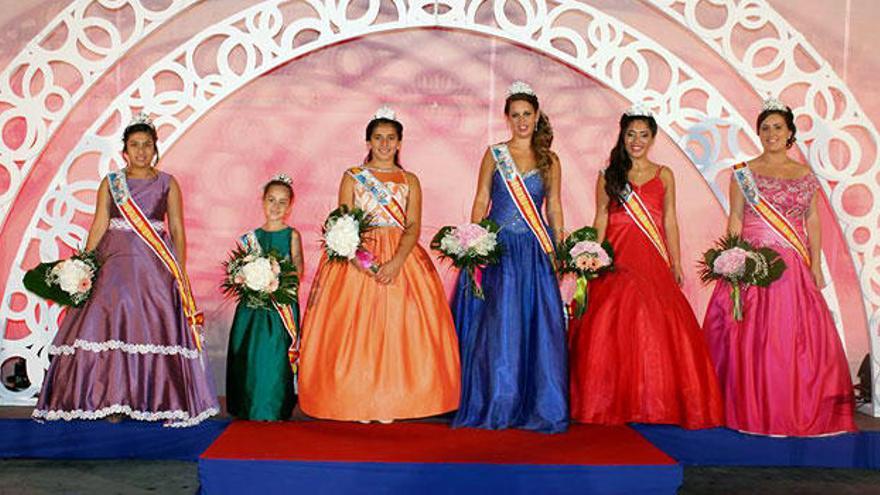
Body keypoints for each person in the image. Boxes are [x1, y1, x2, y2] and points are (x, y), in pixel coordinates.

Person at [32, 112, 218, 427]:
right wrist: (83, 263)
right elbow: (99, 223)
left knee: (152, 327)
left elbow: (176, 228)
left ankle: (156, 399)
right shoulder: (112, 183)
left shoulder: (167, 183)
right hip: (114, 263)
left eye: (147, 145)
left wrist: (180, 271)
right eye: (135, 145)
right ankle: (112, 400)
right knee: (111, 326)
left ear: (155, 148)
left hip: (155, 267)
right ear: (125, 150)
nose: (141, 151)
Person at [703, 98, 856, 436]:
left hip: (792, 266)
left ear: (790, 133)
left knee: (793, 340)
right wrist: (733, 261)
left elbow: (812, 220)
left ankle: (792, 407)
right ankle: (752, 407)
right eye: (765, 128)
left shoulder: (804, 175)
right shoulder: (742, 172)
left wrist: (815, 263)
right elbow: (736, 219)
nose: (771, 133)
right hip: (753, 265)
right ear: (758, 133)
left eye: (777, 127)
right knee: (750, 339)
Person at [298, 106, 460, 423]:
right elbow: (344, 223)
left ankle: (393, 400)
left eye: (390, 138)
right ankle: (356, 398)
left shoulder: (409, 180)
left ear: (400, 143)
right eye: (378, 137)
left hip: (402, 257)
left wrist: (396, 262)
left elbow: (413, 226)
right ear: (368, 142)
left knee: (400, 327)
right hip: (357, 260)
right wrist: (363, 262)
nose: (384, 143)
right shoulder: (353, 177)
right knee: (356, 329)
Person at [567, 104, 723, 429]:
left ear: (652, 138)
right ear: (622, 137)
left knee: (657, 321)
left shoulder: (664, 173)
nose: (636, 141)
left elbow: (669, 219)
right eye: (631, 134)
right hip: (616, 254)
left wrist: (676, 261)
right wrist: (593, 256)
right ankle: (610, 401)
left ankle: (655, 402)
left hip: (651, 254)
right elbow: (601, 216)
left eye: (643, 135)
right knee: (609, 321)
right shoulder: (608, 175)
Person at [452, 81, 568, 433]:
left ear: (536, 117)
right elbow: (481, 197)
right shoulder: (494, 153)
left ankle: (538, 405)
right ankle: (499, 402)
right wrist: (474, 240)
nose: (521, 121)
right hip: (499, 251)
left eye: (527, 114)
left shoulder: (550, 160)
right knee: (500, 327)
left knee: (537, 326)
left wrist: (558, 246)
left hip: (534, 251)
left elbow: (555, 207)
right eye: (515, 115)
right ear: (507, 118)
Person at [225, 174, 304, 421]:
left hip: (279, 307)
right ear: (262, 201)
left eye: (282, 201)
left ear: (290, 205)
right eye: (271, 200)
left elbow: (298, 269)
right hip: (252, 310)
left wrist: (277, 279)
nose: (276, 206)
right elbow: (239, 272)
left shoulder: (292, 235)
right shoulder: (251, 238)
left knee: (274, 358)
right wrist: (246, 277)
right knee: (250, 355)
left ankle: (274, 406)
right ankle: (247, 405)